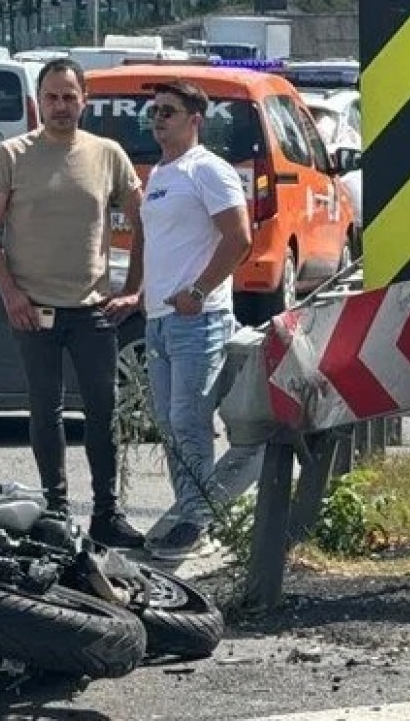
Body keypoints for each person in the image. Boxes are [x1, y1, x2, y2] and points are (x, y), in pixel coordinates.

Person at [0, 58, 147, 549]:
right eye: (52, 97)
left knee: (103, 410)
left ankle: (108, 512)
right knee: (45, 409)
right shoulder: (12, 155)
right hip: (34, 308)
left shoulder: (108, 154)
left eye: (70, 96)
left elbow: (142, 222)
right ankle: (55, 509)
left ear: (83, 100)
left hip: (92, 309)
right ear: (38, 102)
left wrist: (134, 288)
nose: (61, 106)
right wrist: (10, 292)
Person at [139, 81, 251, 560]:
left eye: (169, 111)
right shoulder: (161, 173)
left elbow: (239, 237)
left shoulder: (207, 169)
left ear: (194, 120)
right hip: (160, 319)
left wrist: (199, 291)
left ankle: (198, 522)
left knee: (189, 420)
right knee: (168, 421)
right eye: (155, 111)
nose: (159, 119)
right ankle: (189, 511)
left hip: (197, 318)